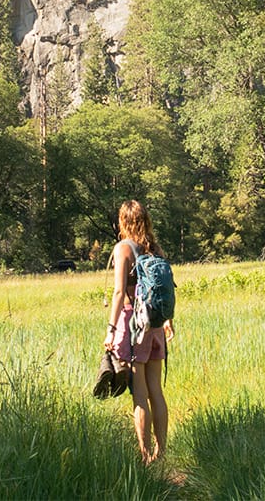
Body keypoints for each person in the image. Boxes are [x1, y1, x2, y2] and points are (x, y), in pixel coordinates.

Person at [103, 199, 175, 464]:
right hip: (156, 324)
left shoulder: (123, 248)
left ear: (123, 221)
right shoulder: (154, 248)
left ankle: (144, 455)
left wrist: (111, 330)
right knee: (157, 390)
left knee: (140, 393)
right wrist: (167, 320)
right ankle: (162, 452)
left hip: (135, 325)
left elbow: (120, 291)